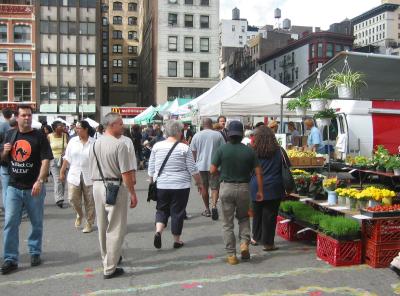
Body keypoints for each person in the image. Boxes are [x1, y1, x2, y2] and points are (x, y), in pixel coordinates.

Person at [0, 105, 53, 275]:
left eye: (29, 115)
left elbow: (46, 161)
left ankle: (35, 251)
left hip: (34, 187)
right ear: (17, 117)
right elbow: (3, 160)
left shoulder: (39, 136)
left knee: (36, 222)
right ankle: (10, 258)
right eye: (23, 115)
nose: (27, 118)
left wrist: (40, 180)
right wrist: (4, 152)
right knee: (10, 223)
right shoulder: (10, 134)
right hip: (13, 187)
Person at [89, 113, 137, 279]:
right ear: (112, 125)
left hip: (97, 185)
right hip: (114, 185)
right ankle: (110, 266)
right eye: (120, 124)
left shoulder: (94, 144)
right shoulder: (119, 145)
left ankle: (106, 258)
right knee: (116, 227)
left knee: (102, 225)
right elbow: (126, 173)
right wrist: (132, 193)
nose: (122, 127)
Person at [210, 120, 264, 265]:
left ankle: (231, 255)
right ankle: (244, 244)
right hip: (244, 188)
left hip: (226, 187)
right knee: (244, 218)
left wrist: (223, 173)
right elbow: (259, 172)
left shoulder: (222, 149)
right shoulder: (249, 150)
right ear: (241, 135)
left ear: (228, 133)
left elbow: (212, 170)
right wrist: (259, 190)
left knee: (227, 224)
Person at [148, 120, 203, 250]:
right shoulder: (184, 147)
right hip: (181, 185)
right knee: (177, 212)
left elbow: (151, 166)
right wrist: (199, 183)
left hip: (162, 184)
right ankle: (176, 240)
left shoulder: (157, 146)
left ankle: (158, 231)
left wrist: (151, 181)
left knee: (161, 209)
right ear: (179, 132)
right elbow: (192, 168)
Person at [250, 126, 290, 251]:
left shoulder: (252, 150)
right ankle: (268, 243)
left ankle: (256, 238)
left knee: (257, 213)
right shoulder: (279, 151)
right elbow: (287, 166)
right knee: (270, 216)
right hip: (274, 186)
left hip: (256, 185)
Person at [60, 120, 96, 233]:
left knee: (90, 201)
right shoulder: (73, 141)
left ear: (85, 129)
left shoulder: (94, 142)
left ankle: (89, 223)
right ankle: (80, 214)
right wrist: (62, 171)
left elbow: (97, 160)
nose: (76, 130)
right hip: (74, 174)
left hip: (90, 175)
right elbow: (67, 157)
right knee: (72, 198)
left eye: (79, 128)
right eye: (76, 128)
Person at [190, 118, 225, 220]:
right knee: (215, 188)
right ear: (212, 124)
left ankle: (207, 209)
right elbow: (223, 150)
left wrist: (195, 164)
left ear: (202, 124)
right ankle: (214, 205)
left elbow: (193, 151)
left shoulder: (197, 135)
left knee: (203, 187)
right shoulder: (218, 135)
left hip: (200, 166)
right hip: (214, 166)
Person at [48, 121, 68, 208]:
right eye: (60, 126)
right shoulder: (49, 136)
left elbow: (69, 147)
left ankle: (61, 196)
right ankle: (59, 199)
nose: (62, 127)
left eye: (63, 126)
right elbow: (47, 149)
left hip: (64, 160)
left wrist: (66, 152)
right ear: (55, 128)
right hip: (53, 160)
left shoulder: (65, 135)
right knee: (58, 179)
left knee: (63, 179)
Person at [0, 108, 14, 210]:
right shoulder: (15, 125)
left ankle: (7, 208)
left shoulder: (2, 126)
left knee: (5, 188)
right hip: (15, 159)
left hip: (4, 159)